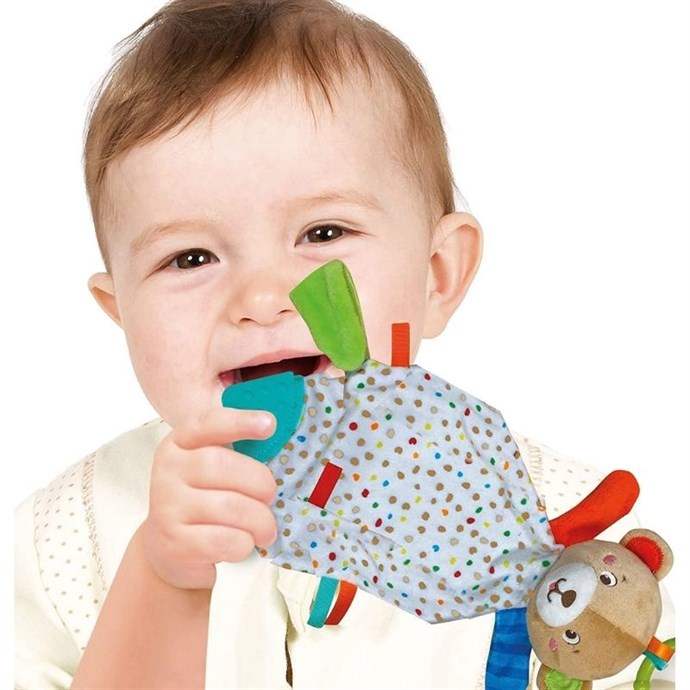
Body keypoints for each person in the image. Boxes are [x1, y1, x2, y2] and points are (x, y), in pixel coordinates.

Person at [13, 1, 676, 688]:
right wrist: (160, 580)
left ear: (436, 274)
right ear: (120, 311)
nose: (261, 299)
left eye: (323, 234)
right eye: (190, 258)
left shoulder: (562, 528)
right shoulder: (63, 540)